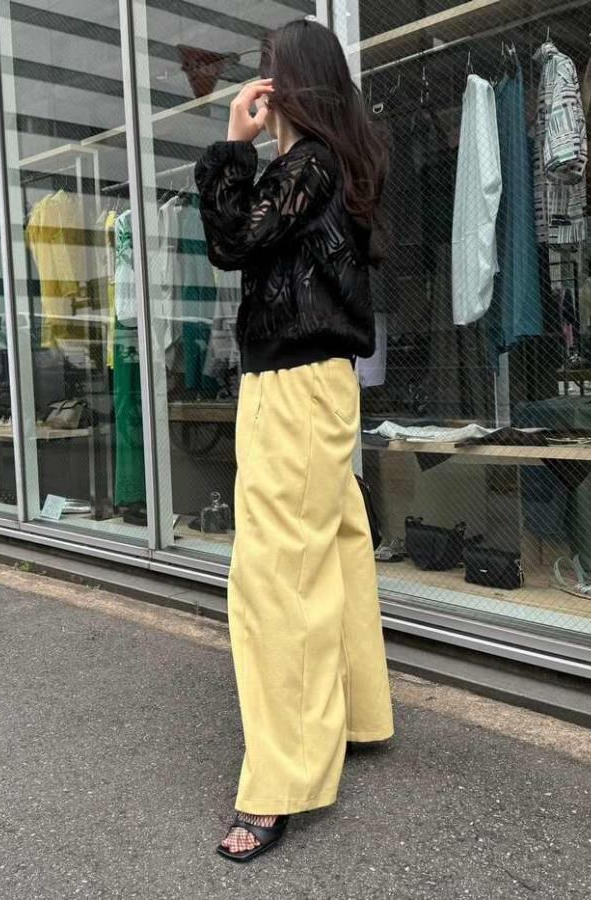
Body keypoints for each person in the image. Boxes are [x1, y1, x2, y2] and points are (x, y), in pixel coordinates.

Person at [194, 17, 395, 863]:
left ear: (286, 84)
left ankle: (279, 782)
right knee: (334, 547)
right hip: (318, 385)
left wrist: (231, 147)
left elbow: (232, 241)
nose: (259, 87)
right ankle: (358, 715)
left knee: (273, 581)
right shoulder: (334, 162)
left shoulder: (306, 165)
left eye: (266, 73)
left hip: (290, 388)